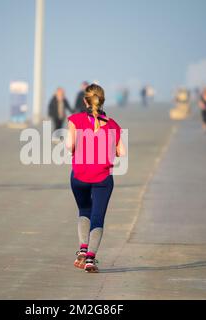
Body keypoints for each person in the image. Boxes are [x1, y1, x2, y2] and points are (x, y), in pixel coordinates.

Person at [66, 84, 126, 273]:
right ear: (102, 101)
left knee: (84, 209)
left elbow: (69, 146)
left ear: (85, 101)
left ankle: (83, 249)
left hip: (79, 176)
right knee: (97, 217)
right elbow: (122, 152)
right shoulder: (112, 124)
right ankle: (90, 259)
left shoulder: (75, 120)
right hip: (102, 178)